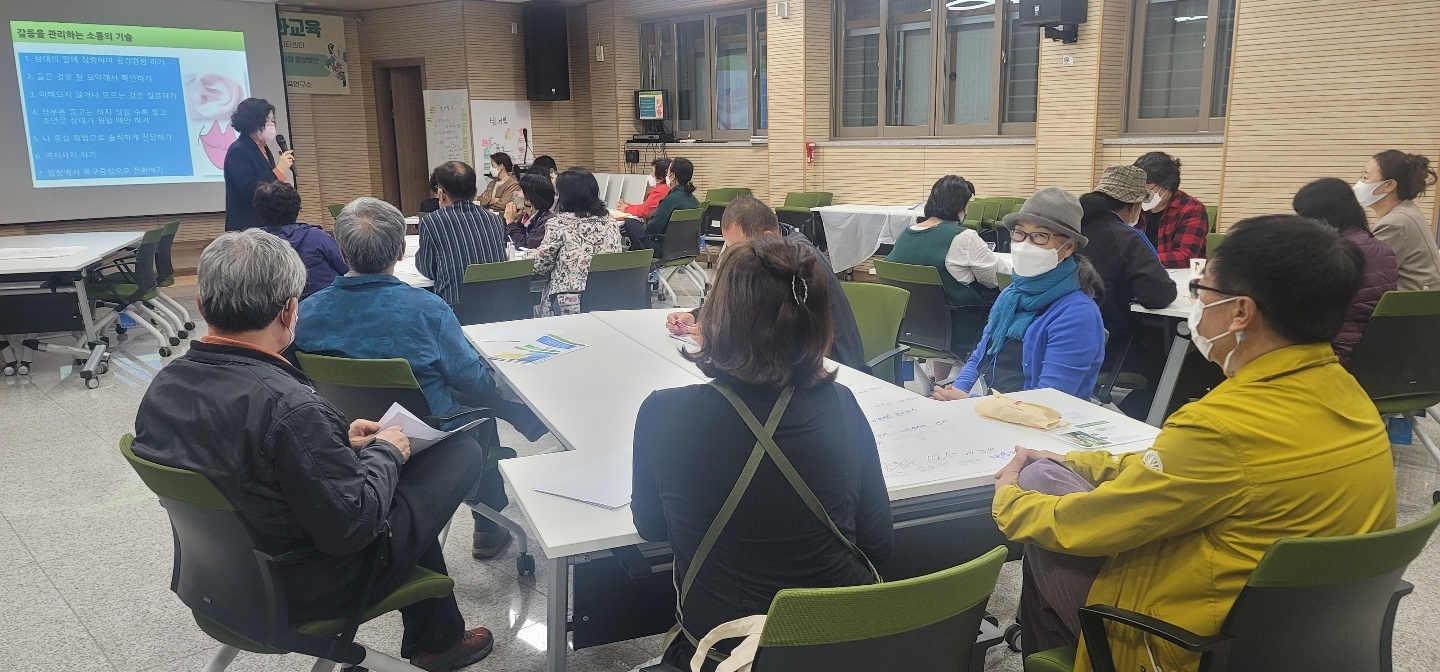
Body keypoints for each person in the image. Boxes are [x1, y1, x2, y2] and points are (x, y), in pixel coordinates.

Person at [992, 215, 1396, 672]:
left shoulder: (1220, 426)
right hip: (1299, 641)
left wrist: (1009, 498)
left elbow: (1088, 526)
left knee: (1039, 500)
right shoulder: (1352, 398)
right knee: (1050, 472)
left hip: (1184, 646)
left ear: (1241, 312)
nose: (1197, 303)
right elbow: (1182, 469)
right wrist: (1079, 462)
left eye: (1201, 290)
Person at [132, 230, 496, 671]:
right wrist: (384, 452)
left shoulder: (163, 387)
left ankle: (440, 636)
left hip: (219, 580)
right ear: (289, 310)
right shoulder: (288, 406)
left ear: (202, 305)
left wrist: (337, 442)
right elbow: (354, 527)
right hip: (310, 586)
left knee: (398, 490)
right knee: (458, 452)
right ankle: (437, 642)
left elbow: (244, 464)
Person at [633, 234, 893, 671]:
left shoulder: (664, 413)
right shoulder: (842, 404)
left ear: (718, 316)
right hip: (840, 648)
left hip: (723, 653)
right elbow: (878, 544)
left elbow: (652, 528)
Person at [295, 197, 546, 561]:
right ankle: (487, 528)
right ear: (401, 251)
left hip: (348, 439)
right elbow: (471, 379)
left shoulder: (307, 313)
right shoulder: (428, 309)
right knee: (482, 404)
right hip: (429, 437)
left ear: (343, 253)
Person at [934, 188, 1106, 401]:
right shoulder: (1011, 295)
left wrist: (970, 404)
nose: (1025, 244)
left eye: (1040, 236)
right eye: (1019, 233)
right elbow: (980, 356)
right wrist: (955, 393)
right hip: (988, 407)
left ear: (1068, 247)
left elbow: (1049, 402)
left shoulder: (1077, 315)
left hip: (1037, 417)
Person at [665, 196, 869, 373]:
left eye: (739, 248)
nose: (734, 257)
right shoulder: (776, 251)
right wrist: (697, 316)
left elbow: (774, 340)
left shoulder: (796, 265)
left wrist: (717, 340)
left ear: (767, 238)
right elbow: (740, 305)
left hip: (832, 368)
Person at [884, 175, 1010, 377]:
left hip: (908, 329)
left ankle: (940, 380)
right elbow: (996, 277)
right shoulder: (963, 237)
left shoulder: (905, 235)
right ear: (960, 207)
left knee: (940, 301)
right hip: (958, 331)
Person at [1078, 165, 1178, 416]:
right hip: (1110, 347)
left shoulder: (1070, 230)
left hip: (1066, 338)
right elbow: (1159, 295)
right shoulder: (1127, 238)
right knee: (1178, 367)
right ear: (1133, 206)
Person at [1294, 178, 1399, 363]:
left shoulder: (1331, 251)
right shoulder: (1383, 250)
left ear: (1319, 216)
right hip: (1373, 350)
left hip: (1332, 350)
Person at [533, 168, 625, 315]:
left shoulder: (559, 224)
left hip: (568, 302)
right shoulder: (610, 222)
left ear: (565, 196)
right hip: (608, 298)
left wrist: (530, 255)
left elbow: (541, 266)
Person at [416, 161, 506, 305]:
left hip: (453, 307)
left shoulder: (431, 221)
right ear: (474, 190)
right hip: (496, 305)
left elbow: (427, 269)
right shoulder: (494, 220)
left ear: (441, 193)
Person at [1354, 149, 1440, 290]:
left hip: (1408, 302)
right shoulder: (1406, 212)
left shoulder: (1395, 224)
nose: (1359, 183)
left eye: (1365, 177)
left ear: (1389, 185)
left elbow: (1364, 273)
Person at [253, 181, 347, 299]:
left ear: (259, 212)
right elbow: (347, 269)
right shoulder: (317, 237)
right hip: (330, 303)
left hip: (282, 308)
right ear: (297, 207)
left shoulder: (255, 248)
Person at [223, 98, 294, 231]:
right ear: (252, 122)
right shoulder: (238, 150)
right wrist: (278, 171)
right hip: (247, 227)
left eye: (273, 120)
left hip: (266, 224)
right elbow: (249, 190)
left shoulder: (263, 148)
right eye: (267, 121)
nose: (271, 125)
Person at [1132, 151, 1209, 269]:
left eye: (1146, 190)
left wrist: (1139, 260)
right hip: (1139, 272)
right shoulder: (1134, 206)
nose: (1141, 194)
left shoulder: (1191, 209)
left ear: (1166, 185)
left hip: (1177, 275)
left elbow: (1185, 256)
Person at [644, 157, 700, 249]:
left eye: (668, 171)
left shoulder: (669, 200)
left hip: (664, 249)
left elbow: (653, 229)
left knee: (632, 224)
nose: (667, 174)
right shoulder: (694, 200)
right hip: (687, 248)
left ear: (672, 176)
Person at [504, 172, 556, 249]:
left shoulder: (546, 221)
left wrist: (510, 223)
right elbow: (507, 241)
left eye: (521, 190)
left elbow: (526, 246)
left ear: (531, 198)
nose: (517, 194)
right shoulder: (525, 218)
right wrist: (508, 220)